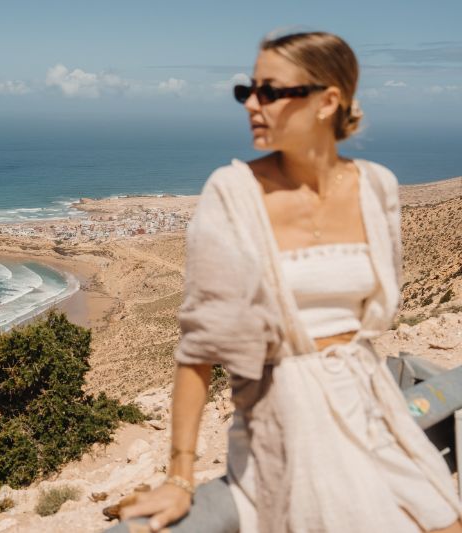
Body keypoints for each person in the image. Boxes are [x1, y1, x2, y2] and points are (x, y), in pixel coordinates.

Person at [109, 31, 462, 533]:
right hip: (286, 425)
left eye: (270, 91)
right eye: (247, 91)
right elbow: (197, 349)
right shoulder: (232, 192)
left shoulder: (377, 187)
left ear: (327, 101)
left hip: (374, 409)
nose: (252, 103)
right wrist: (180, 476)